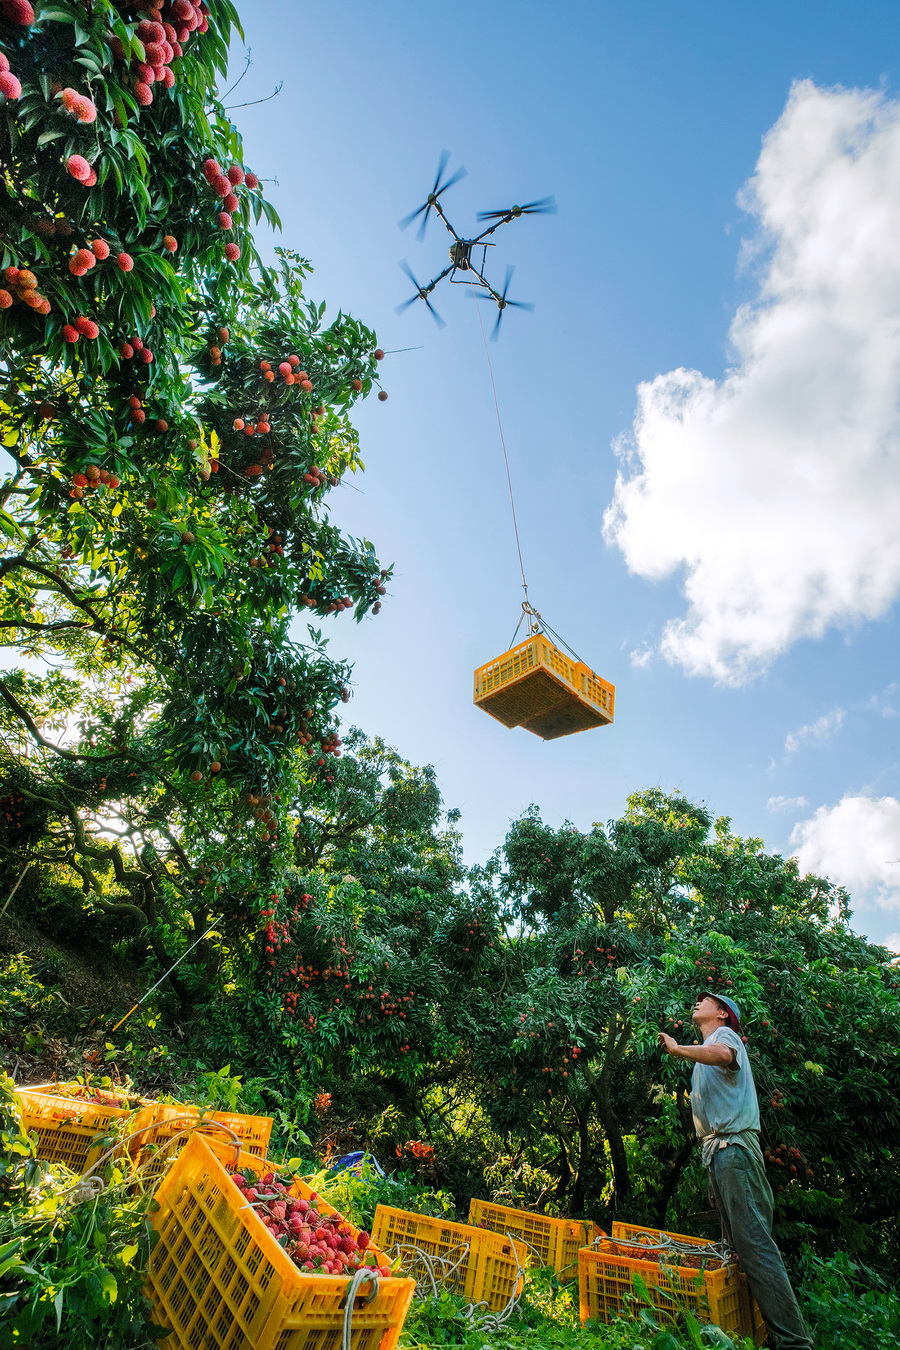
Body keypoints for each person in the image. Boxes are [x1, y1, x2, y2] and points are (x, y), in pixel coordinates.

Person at [658, 993, 814, 1350]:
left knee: (754, 1244)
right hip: (719, 1152)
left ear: (723, 1014)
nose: (697, 1002)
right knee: (735, 1249)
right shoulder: (705, 1049)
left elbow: (725, 1057)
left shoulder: (724, 1038)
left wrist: (679, 1049)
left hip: (734, 1150)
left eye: (706, 1000)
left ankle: (794, 1343)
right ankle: (763, 1336)